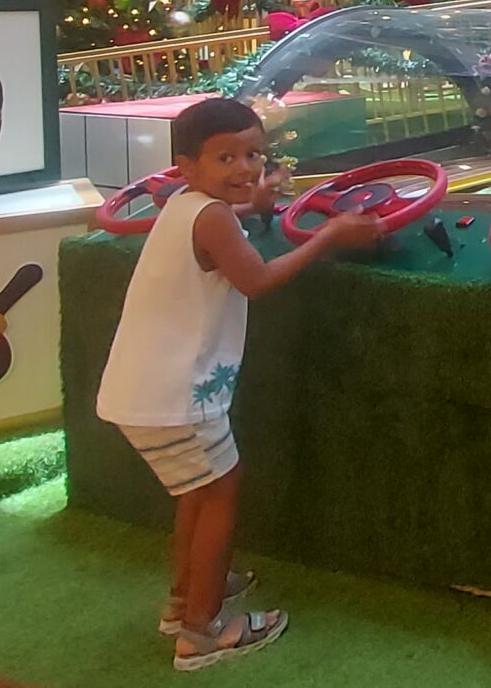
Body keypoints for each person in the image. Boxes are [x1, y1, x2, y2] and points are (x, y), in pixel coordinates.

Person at [95, 96, 385, 669]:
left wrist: (255, 208)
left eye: (254, 153)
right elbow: (254, 279)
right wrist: (330, 237)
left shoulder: (188, 204)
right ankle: (202, 633)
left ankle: (187, 600)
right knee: (220, 495)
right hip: (179, 399)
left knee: (197, 495)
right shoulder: (212, 216)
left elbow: (222, 238)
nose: (245, 169)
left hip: (144, 393)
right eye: (225, 157)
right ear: (186, 167)